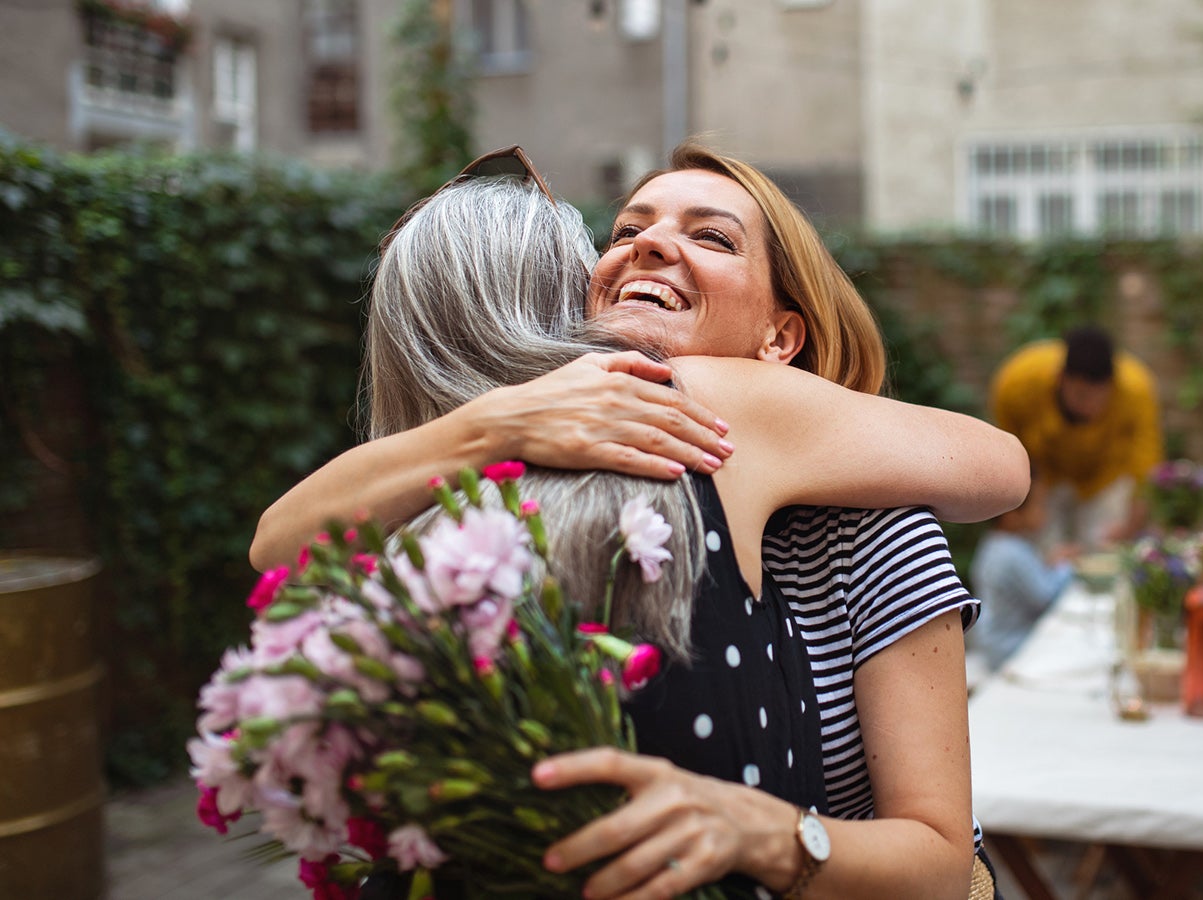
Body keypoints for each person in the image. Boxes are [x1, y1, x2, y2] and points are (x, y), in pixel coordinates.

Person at [255, 143, 1026, 898]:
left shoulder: (864, 517)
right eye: (626, 232)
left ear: (780, 338)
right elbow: (279, 545)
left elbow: (938, 863)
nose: (649, 243)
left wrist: (767, 834)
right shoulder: (562, 452)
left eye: (712, 236)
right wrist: (502, 423)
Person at [988, 324, 1163, 549]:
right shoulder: (1017, 382)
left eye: (1101, 398)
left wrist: (1131, 527)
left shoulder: (1137, 390)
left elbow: (1146, 468)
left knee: (1104, 550)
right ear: (1061, 378)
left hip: (1104, 477)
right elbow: (1006, 451)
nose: (1090, 407)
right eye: (1081, 396)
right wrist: (1018, 508)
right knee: (1042, 549)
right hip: (1043, 476)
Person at [967, 479, 1073, 669]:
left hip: (993, 643)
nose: (1044, 513)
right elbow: (1046, 597)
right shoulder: (1012, 552)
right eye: (1039, 505)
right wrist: (1064, 566)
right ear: (1011, 513)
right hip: (1011, 647)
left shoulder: (995, 543)